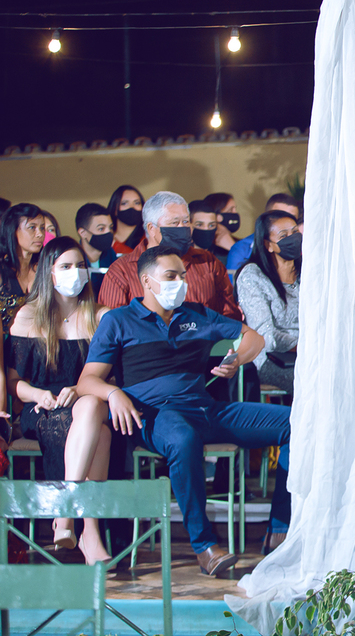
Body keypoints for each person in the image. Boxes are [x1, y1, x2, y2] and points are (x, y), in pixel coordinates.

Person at [76, 245, 290, 575]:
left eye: (183, 276)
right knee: (183, 438)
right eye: (171, 276)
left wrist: (235, 359)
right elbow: (86, 381)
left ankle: (280, 527)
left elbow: (254, 339)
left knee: (296, 422)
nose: (180, 283)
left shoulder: (197, 314)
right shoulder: (118, 321)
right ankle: (204, 547)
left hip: (206, 410)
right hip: (155, 417)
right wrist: (113, 392)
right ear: (146, 281)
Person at [5, 237, 112, 564]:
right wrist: (39, 394)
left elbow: (110, 377)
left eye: (80, 266)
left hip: (89, 400)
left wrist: (78, 389)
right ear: (49, 272)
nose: (75, 272)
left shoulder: (101, 316)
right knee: (100, 434)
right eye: (66, 266)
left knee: (90, 406)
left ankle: (65, 511)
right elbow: (14, 382)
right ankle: (90, 532)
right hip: (42, 406)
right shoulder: (28, 316)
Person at [99, 191, 241, 320]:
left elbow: (229, 316)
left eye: (185, 222)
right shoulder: (121, 272)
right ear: (151, 228)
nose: (182, 228)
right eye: (174, 223)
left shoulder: (208, 263)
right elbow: (113, 325)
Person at [235, 211, 301, 395]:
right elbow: (265, 334)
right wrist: (304, 345)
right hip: (271, 358)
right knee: (317, 379)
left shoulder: (309, 271)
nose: (293, 239)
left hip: (315, 353)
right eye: (283, 236)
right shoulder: (252, 276)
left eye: (295, 232)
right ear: (268, 245)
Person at [226, 193, 302, 273]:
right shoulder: (242, 249)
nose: (287, 222)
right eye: (279, 217)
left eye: (292, 218)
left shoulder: (302, 246)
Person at [0, 203, 47, 330]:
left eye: (42, 228)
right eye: (32, 227)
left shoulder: (44, 269)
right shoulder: (2, 271)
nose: (40, 234)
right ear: (13, 231)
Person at [75, 203, 117, 292]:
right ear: (83, 233)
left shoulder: (111, 255)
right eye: (101, 229)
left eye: (110, 228)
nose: (108, 233)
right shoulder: (74, 260)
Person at [202, 193, 240, 265]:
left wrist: (232, 247)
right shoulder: (203, 246)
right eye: (230, 210)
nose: (235, 213)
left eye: (235, 209)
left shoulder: (242, 244)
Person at [107, 185, 145, 255]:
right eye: (124, 203)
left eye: (137, 203)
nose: (132, 207)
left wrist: (115, 244)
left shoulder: (150, 237)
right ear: (115, 209)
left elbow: (139, 260)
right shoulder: (102, 238)